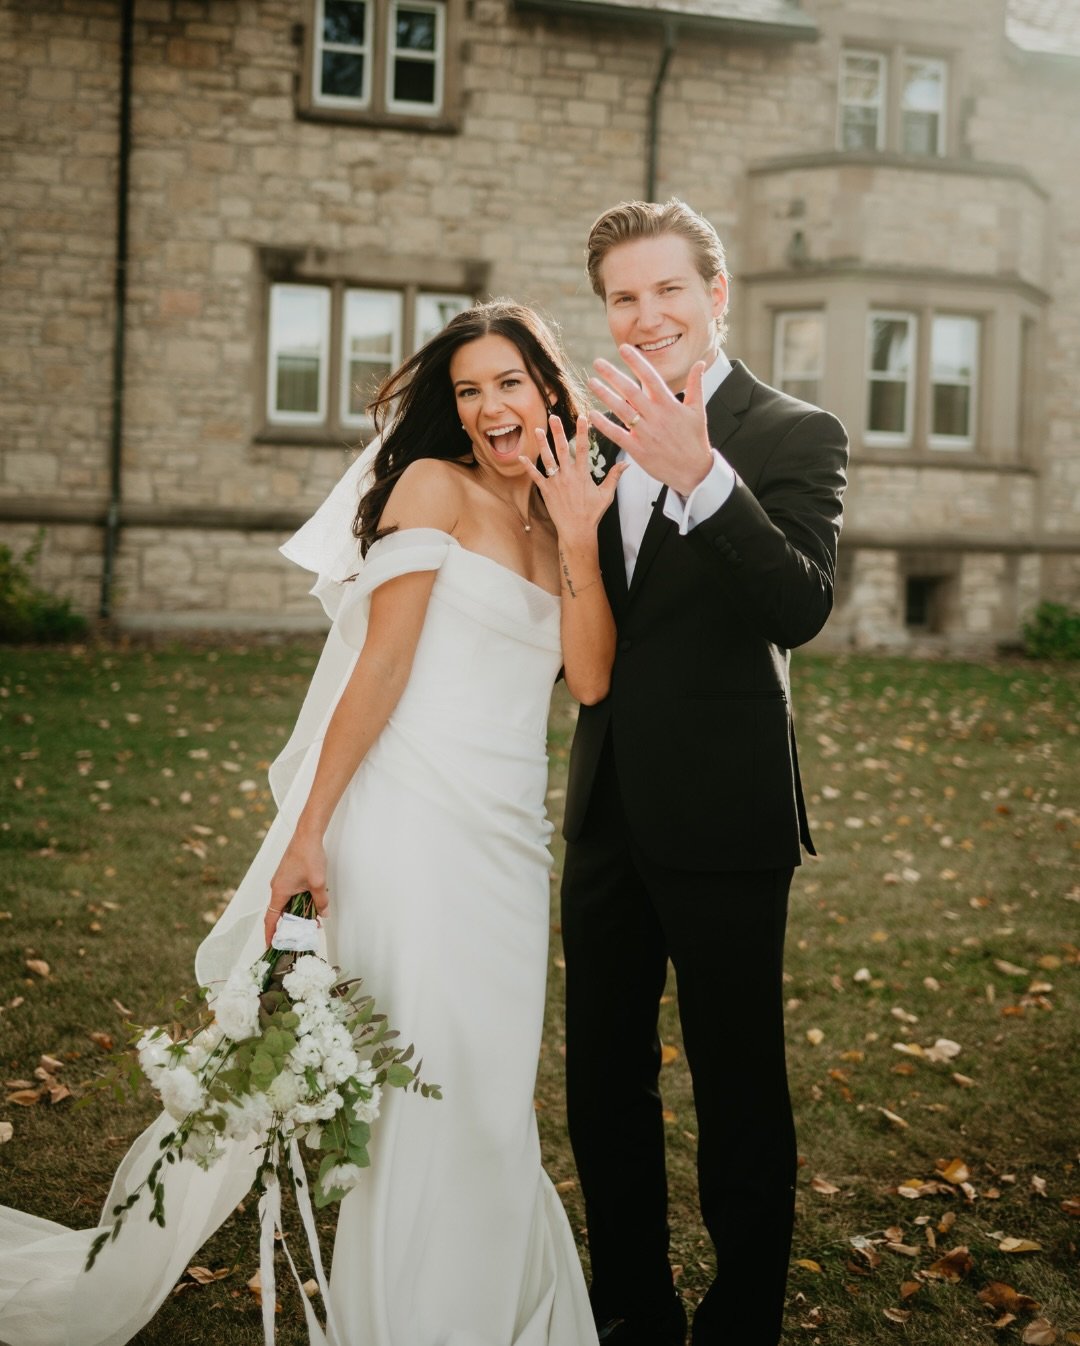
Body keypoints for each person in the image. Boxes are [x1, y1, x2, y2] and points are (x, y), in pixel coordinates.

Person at [0, 300, 624, 1346]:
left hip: (508, 844)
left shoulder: (562, 511)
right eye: (469, 390)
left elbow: (593, 678)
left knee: (488, 1088)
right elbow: (378, 666)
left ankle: (497, 1301)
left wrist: (576, 536)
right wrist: (309, 828)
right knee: (430, 1086)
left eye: (508, 383)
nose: (488, 407)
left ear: (548, 388)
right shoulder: (436, 487)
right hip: (411, 825)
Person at [559, 200, 849, 1346]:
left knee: (737, 1085)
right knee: (602, 1083)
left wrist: (702, 477)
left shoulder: (792, 431)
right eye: (624, 297)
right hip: (607, 803)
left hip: (727, 814)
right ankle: (632, 1304)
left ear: (716, 294)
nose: (648, 314)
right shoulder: (588, 432)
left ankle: (741, 1322)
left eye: (668, 289)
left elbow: (801, 605)